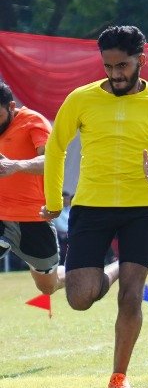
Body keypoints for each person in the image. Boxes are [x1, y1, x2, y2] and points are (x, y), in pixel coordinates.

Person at [42, 26, 148, 388]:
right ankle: (114, 267)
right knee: (80, 297)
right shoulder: (81, 99)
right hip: (91, 206)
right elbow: (56, 148)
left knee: (131, 294)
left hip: (142, 208)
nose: (115, 74)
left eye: (122, 65)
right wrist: (54, 201)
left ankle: (118, 378)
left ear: (141, 60)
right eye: (108, 66)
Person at [0, 81, 68, 297]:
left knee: (48, 287)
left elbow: (52, 161)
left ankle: (89, 270)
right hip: (1, 216)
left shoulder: (33, 122)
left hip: (33, 218)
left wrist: (17, 165)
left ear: (11, 107)